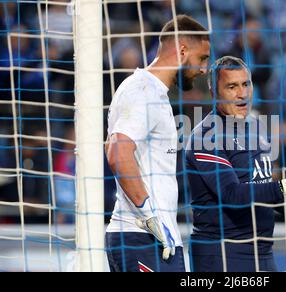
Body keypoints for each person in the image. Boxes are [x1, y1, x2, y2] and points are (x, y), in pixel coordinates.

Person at [184, 56, 286, 272]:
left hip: (263, 250)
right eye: (231, 86)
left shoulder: (257, 128)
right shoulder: (206, 136)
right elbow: (232, 194)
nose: (242, 93)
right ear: (213, 94)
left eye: (245, 84)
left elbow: (263, 191)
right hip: (222, 253)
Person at [105, 14, 210, 272]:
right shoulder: (142, 90)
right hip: (139, 235)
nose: (204, 69)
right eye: (202, 58)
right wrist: (148, 215)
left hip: (159, 236)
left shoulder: (157, 95)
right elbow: (118, 152)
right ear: (182, 50)